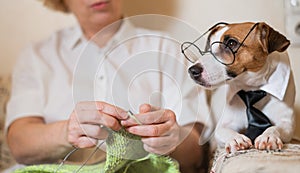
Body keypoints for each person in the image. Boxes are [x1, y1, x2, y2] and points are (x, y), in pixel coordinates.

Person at [5, 0, 210, 173]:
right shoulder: (37, 56)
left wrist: (172, 141)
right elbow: (19, 144)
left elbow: (196, 154)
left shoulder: (166, 49)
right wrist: (68, 131)